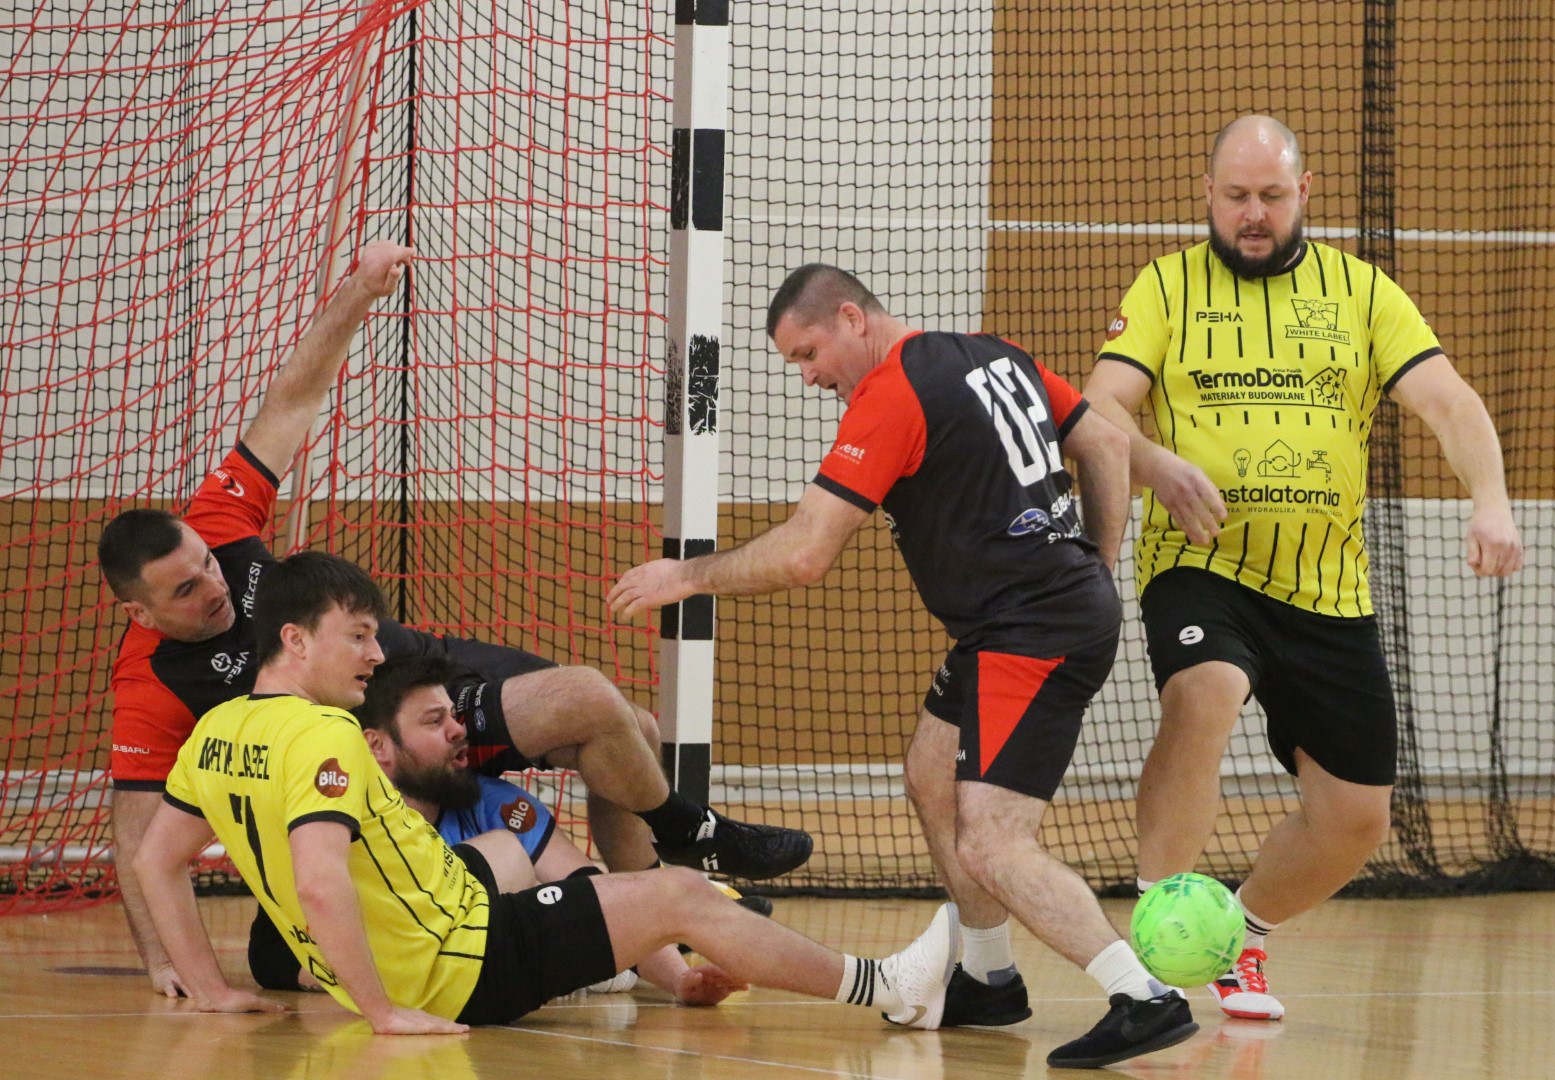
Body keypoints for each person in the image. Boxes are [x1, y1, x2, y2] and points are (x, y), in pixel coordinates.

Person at [97, 241, 811, 997]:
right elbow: (139, 838)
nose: (212, 586)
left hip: (418, 666)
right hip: (377, 731)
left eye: (208, 563)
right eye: (185, 590)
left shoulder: (219, 516)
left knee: (630, 728)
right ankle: (683, 844)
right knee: (588, 703)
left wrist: (357, 293)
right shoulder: (152, 684)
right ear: (139, 610)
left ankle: (662, 931)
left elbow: (292, 402)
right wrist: (164, 962)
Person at [609, 265, 1198, 1070]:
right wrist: (1095, 562)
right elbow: (1103, 442)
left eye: (809, 353)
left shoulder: (892, 395)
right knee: (929, 772)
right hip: (1018, 620)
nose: (808, 376)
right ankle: (988, 977)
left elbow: (806, 552)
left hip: (1029, 629)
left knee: (992, 841)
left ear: (853, 318)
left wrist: (687, 575)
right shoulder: (994, 351)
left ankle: (1144, 996)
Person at [1081, 115, 1525, 1021]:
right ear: (1208, 195)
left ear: (1305, 193)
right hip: (1203, 561)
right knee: (1204, 691)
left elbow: (1448, 401)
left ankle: (1236, 938)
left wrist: (1492, 500)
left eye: (1272, 196)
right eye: (1237, 196)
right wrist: (1157, 466)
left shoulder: (1362, 293)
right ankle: (1160, 941)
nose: (1254, 214)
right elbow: (1100, 405)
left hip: (1328, 587)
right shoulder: (1166, 287)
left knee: (1356, 817)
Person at [132, 551, 959, 1033]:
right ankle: (890, 987)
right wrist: (382, 1013)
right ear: (293, 638)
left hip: (449, 922)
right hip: (461, 959)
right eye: (356, 637)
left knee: (545, 859)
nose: (375, 655)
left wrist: (210, 988)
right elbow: (318, 881)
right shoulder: (324, 734)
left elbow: (154, 860)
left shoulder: (215, 732)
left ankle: (661, 968)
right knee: (678, 892)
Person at [245, 652, 759, 1002]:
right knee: (502, 856)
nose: (458, 731)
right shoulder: (338, 813)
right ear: (377, 746)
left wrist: (681, 981)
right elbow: (269, 951)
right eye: (434, 722)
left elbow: (593, 890)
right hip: (428, 992)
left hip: (489, 979)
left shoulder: (493, 803)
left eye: (454, 716)